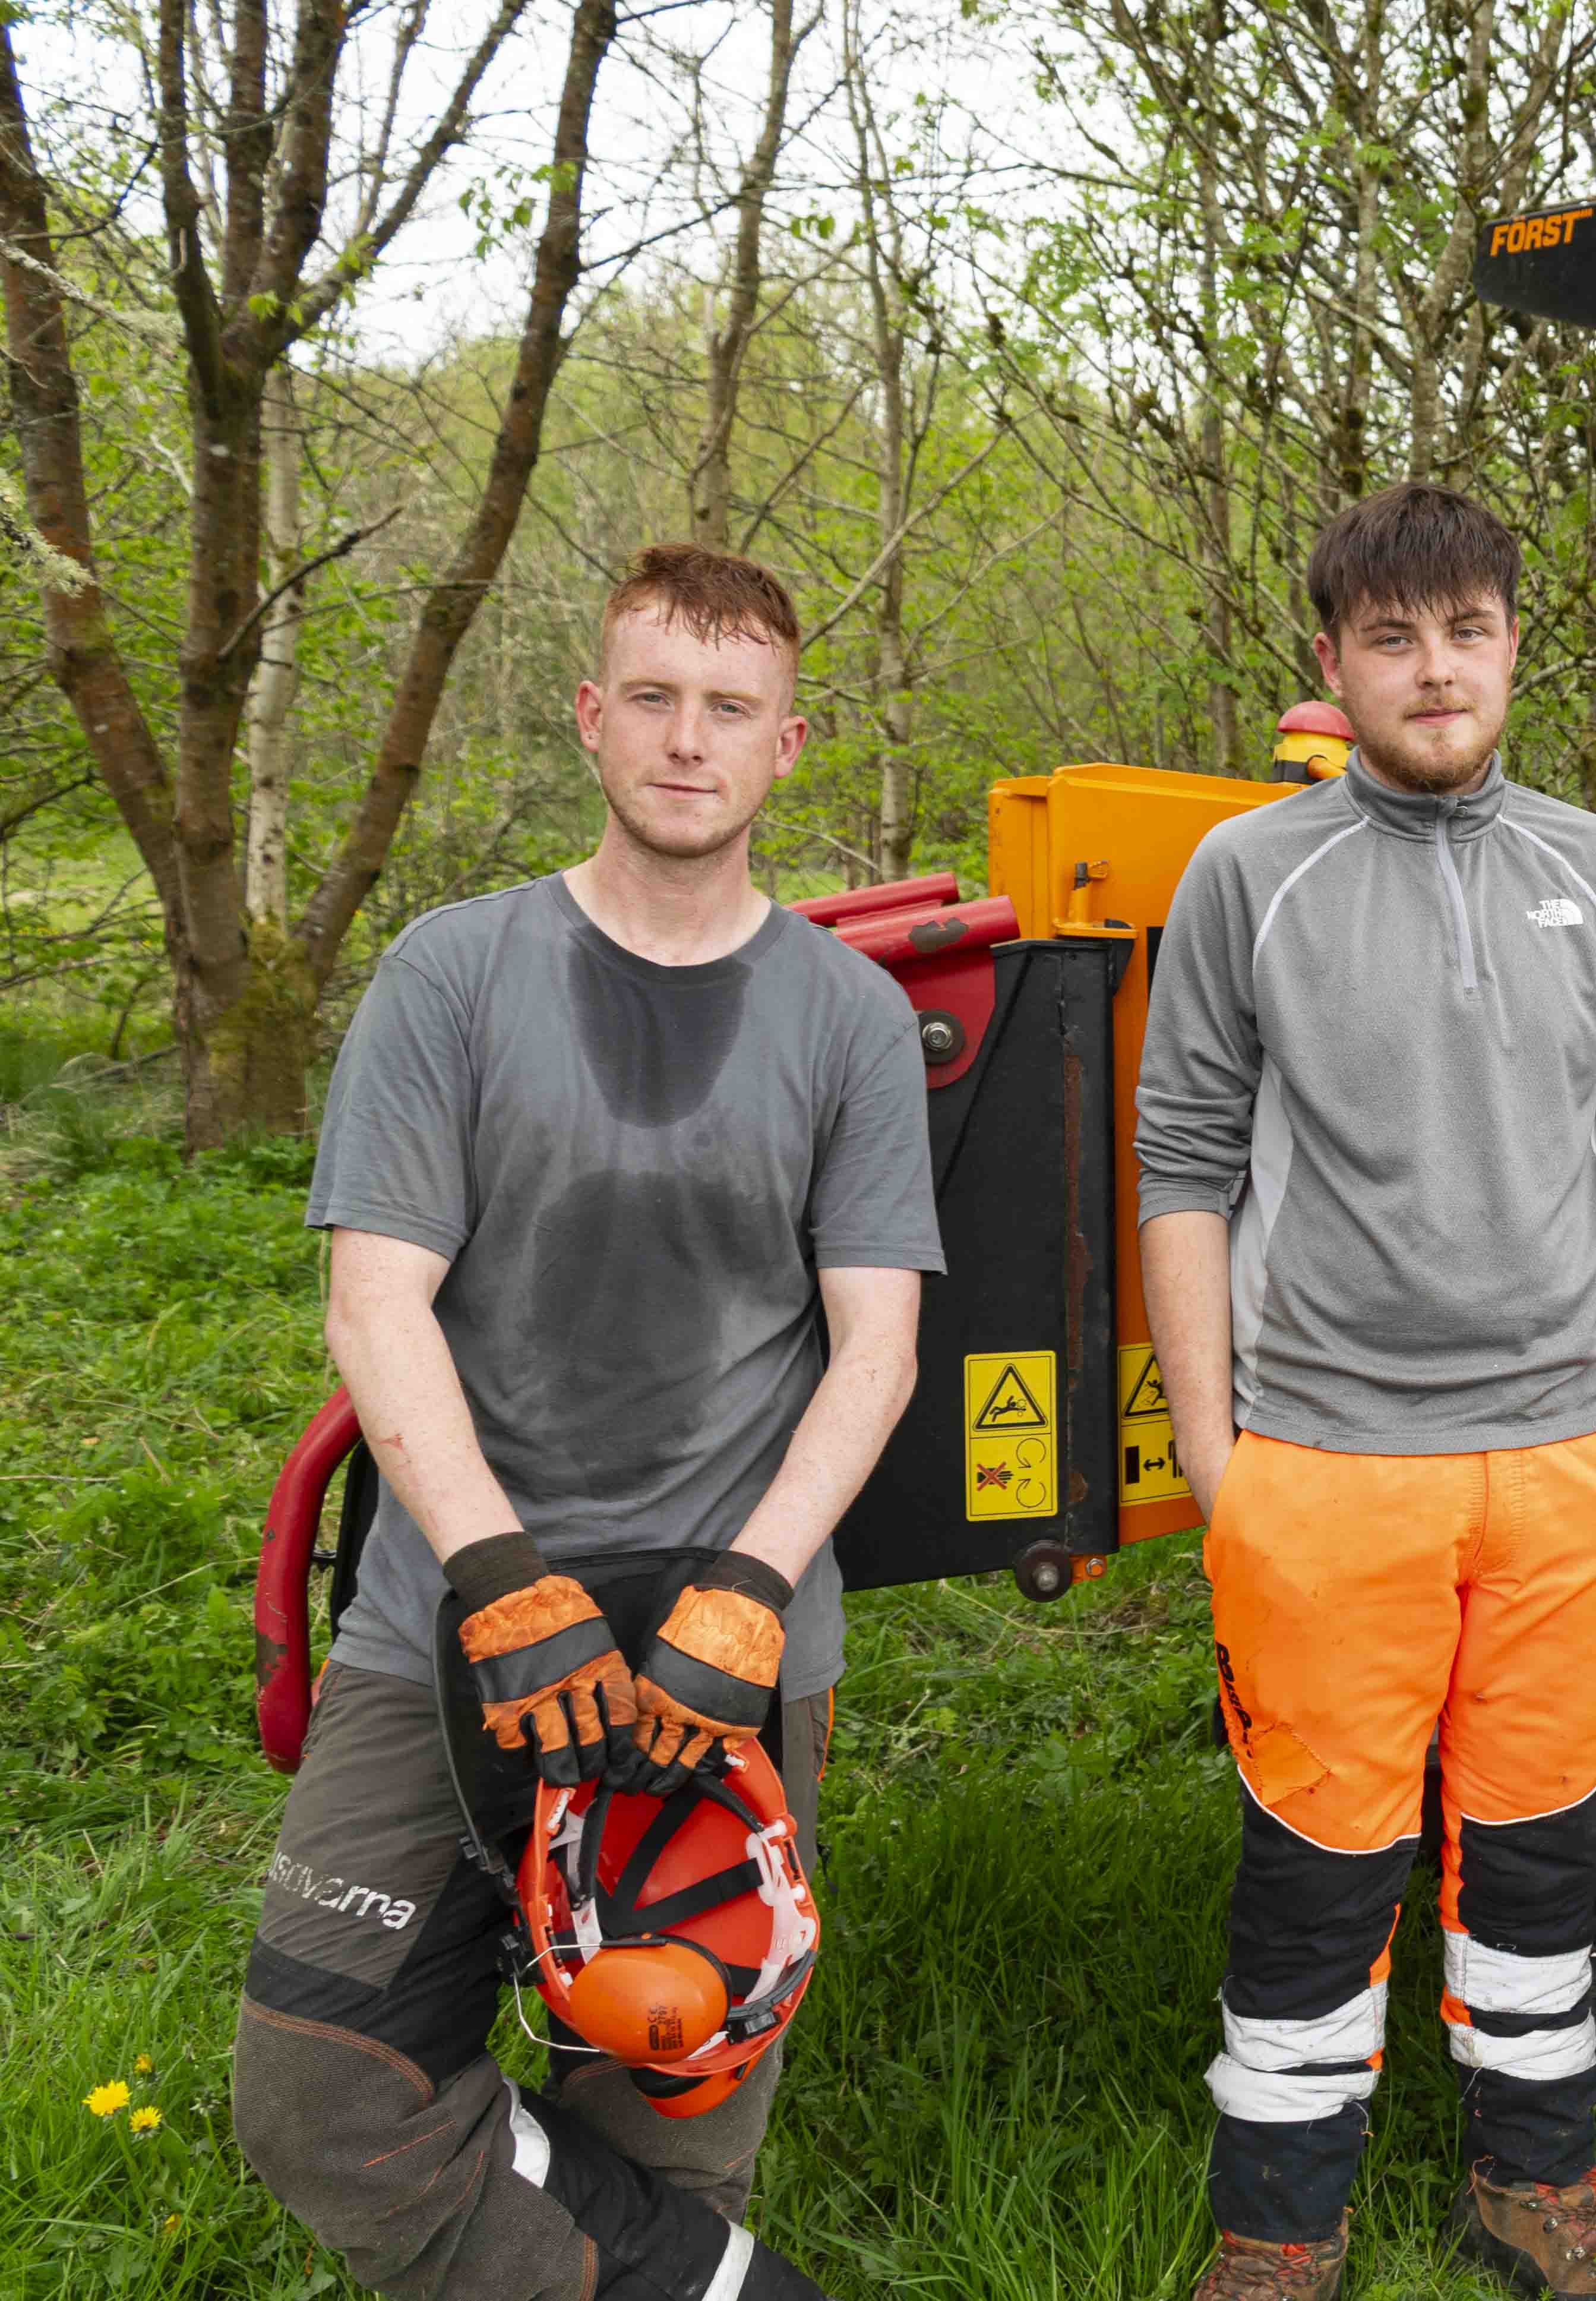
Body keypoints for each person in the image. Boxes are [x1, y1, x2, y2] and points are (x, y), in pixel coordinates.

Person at [233, 543, 941, 2299]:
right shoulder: (451, 976)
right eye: (652, 698)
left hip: (728, 1634)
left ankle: (664, 2263)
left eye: (729, 708)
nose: (686, 740)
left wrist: (750, 1598)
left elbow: (876, 1347)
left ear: (788, 744)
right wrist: (497, 1572)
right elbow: (373, 1303)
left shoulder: (849, 1015)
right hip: (448, 1618)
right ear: (590, 718)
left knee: (663, 2076)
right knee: (321, 2093)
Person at [1136, 482, 1596, 2301]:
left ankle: (1533, 2187)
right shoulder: (1248, 873)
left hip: (1574, 1462)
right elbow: (1183, 1166)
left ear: (1514, 643)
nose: (1432, 668)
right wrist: (1220, 1460)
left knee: (1538, 1849)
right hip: (1331, 1466)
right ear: (1334, 664)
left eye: (1464, 629)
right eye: (1391, 636)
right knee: (1317, 1858)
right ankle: (1280, 2230)